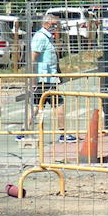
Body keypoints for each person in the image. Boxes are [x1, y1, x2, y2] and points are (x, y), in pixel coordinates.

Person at [25, 14, 73, 142]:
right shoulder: (41, 37)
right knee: (58, 104)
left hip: (49, 78)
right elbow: (33, 58)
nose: (57, 28)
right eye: (55, 25)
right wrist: (33, 79)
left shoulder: (48, 38)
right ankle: (63, 133)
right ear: (48, 24)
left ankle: (25, 131)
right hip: (44, 79)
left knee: (36, 105)